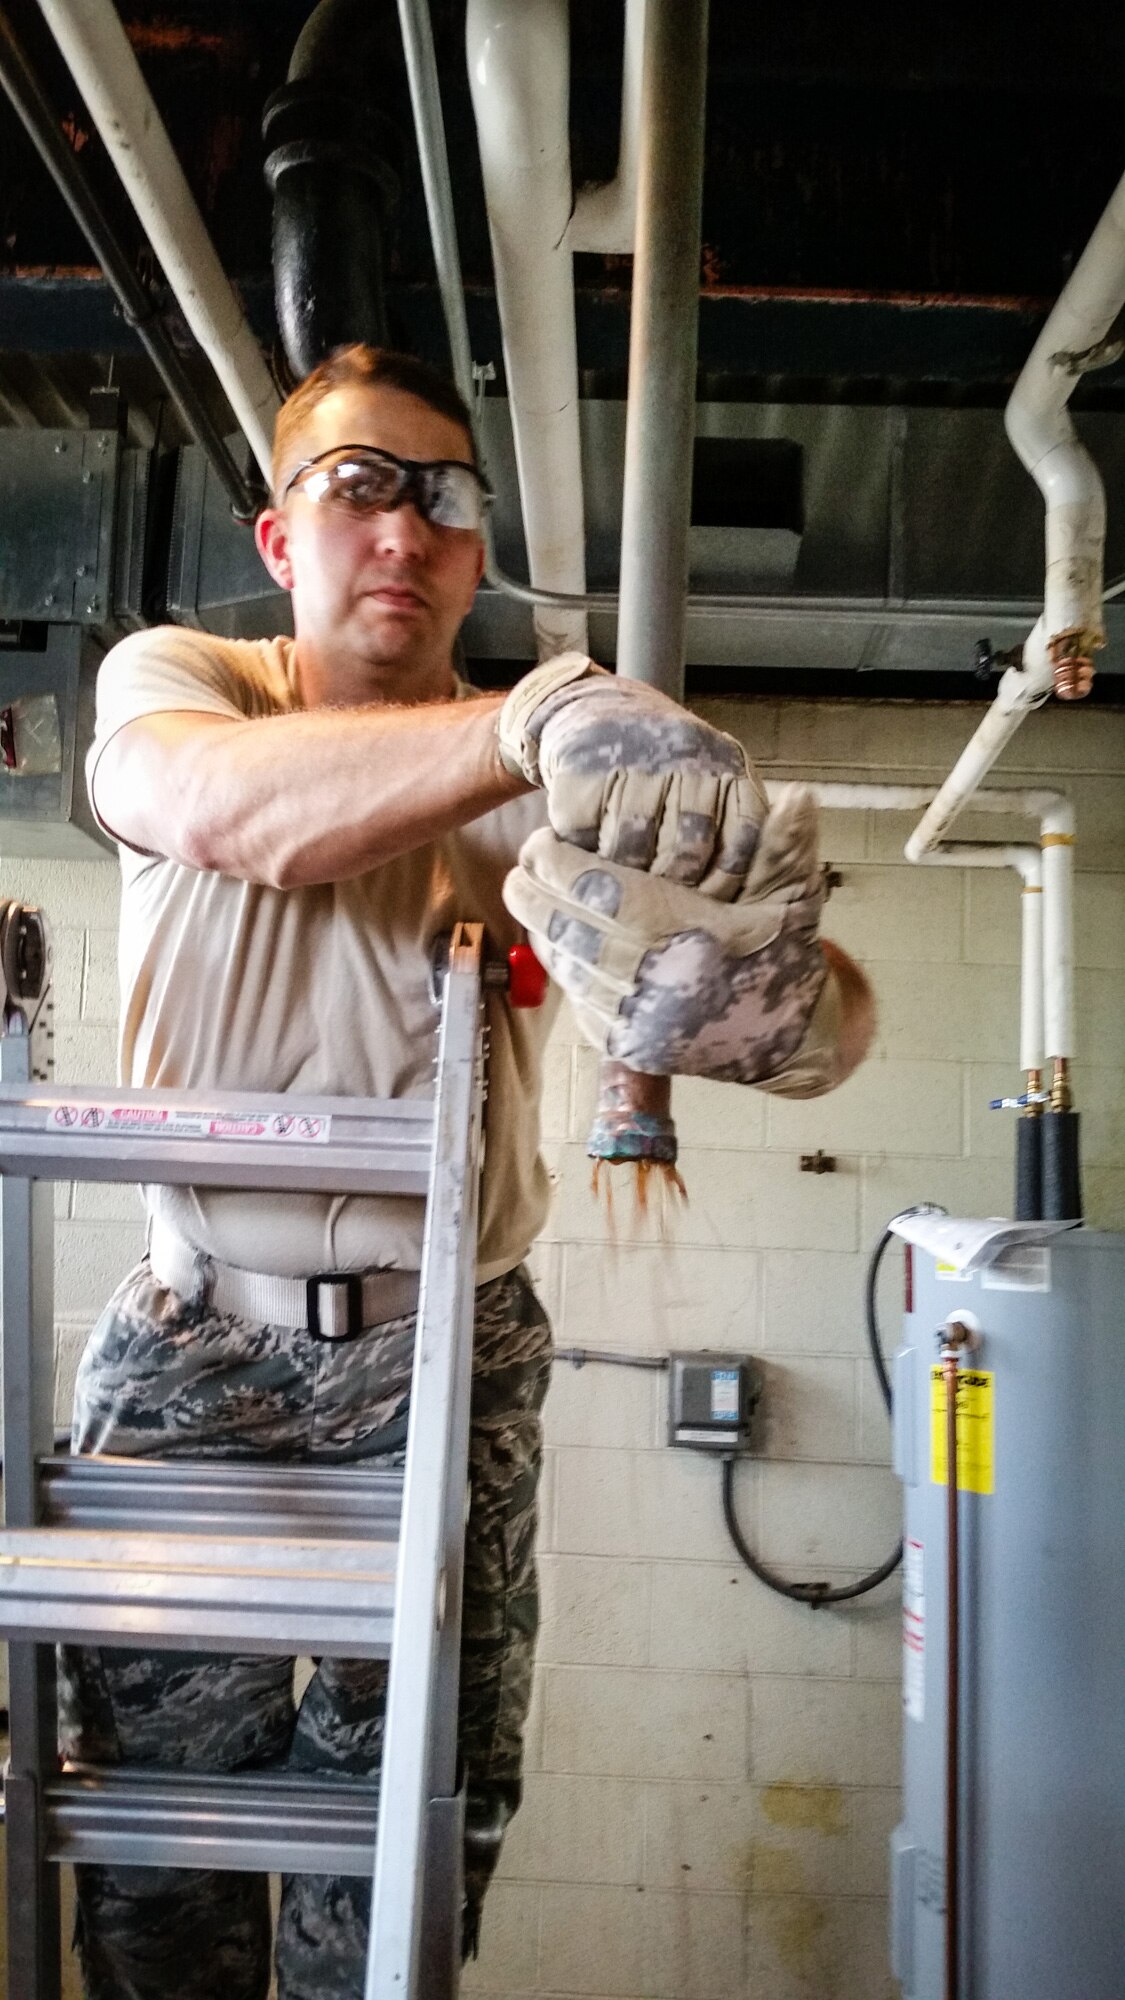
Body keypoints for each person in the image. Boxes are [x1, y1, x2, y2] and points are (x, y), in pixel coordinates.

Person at [63, 341, 856, 2000]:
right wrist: (538, 719)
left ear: (478, 551)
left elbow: (823, 1043)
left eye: (446, 499)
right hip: (199, 1343)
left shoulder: (537, 792)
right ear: (279, 538)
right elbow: (215, 811)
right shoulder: (186, 681)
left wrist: (761, 965)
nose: (406, 533)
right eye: (360, 489)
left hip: (456, 1349)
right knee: (162, 1852)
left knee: (422, 1815)